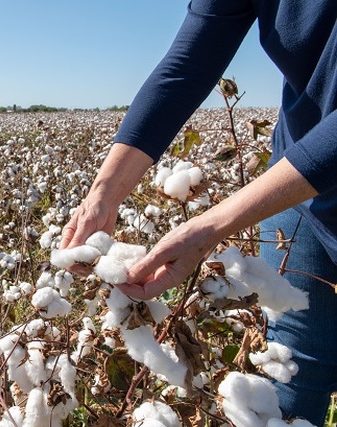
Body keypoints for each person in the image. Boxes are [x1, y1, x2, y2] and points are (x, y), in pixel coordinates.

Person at [60, 1, 337, 424]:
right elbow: (187, 65)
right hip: (296, 188)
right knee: (295, 370)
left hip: (309, 170)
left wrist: (211, 226)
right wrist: (103, 193)